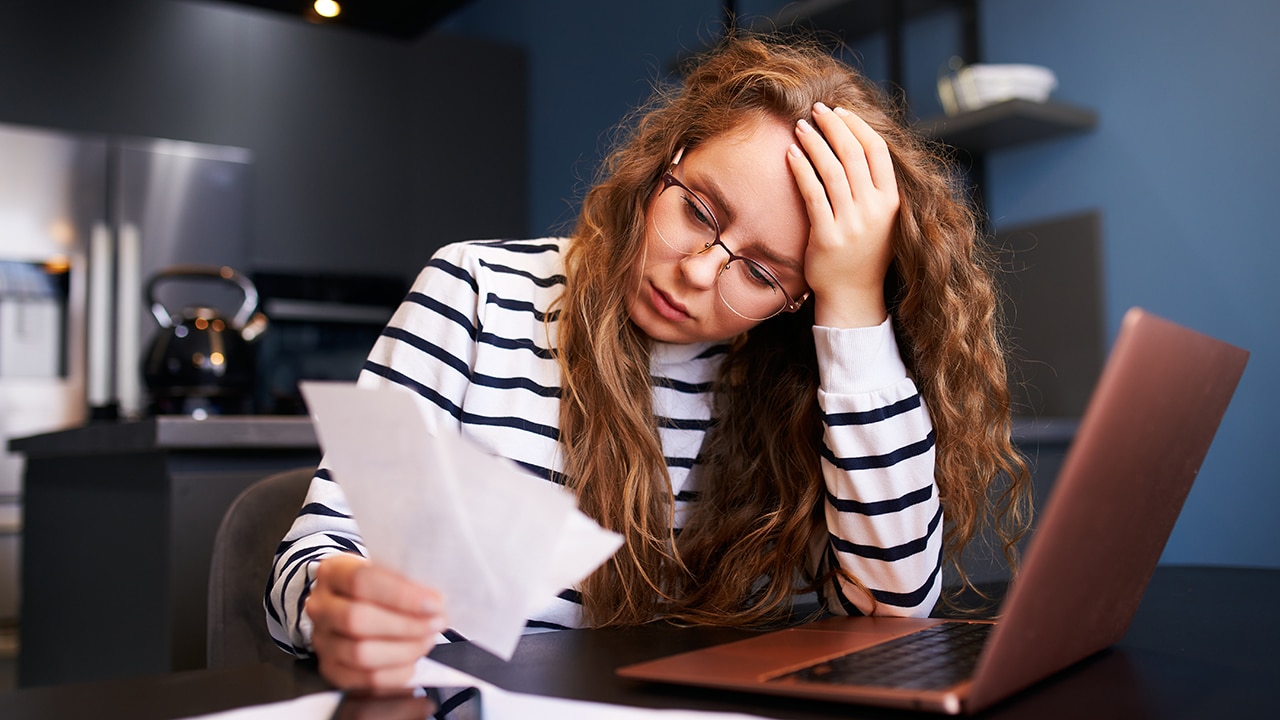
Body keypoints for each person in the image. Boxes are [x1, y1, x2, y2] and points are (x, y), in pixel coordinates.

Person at [266, 31, 1031, 689]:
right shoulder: (475, 290)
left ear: (798, 303)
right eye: (697, 210)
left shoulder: (789, 382)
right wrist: (337, 599)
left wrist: (854, 307)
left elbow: (890, 610)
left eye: (762, 274)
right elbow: (317, 554)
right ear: (667, 158)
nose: (699, 272)